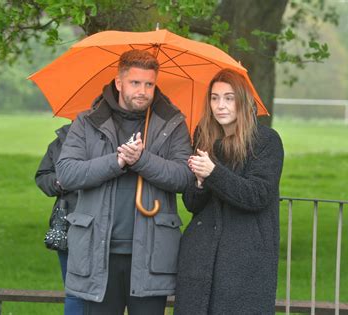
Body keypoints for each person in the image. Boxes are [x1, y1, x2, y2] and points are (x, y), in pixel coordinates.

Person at [55, 49, 192, 315]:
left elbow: (183, 177)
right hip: (97, 252)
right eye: (135, 83)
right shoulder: (87, 121)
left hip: (152, 255)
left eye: (149, 84)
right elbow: (67, 173)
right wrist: (116, 163)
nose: (143, 91)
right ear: (119, 83)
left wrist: (142, 160)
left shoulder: (172, 123)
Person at [174, 68, 284, 314]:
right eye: (214, 97)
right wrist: (200, 182)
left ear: (242, 101)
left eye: (228, 98)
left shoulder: (266, 141)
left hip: (244, 260)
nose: (220, 105)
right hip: (200, 257)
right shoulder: (203, 136)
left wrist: (213, 173)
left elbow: (258, 195)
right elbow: (191, 203)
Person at [35, 123, 85, 315]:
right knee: (74, 292)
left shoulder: (120, 138)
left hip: (107, 227)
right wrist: (58, 182)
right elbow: (42, 175)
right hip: (68, 226)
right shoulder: (62, 140)